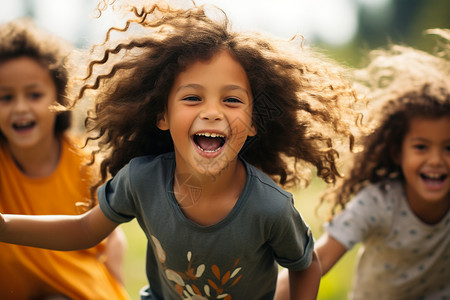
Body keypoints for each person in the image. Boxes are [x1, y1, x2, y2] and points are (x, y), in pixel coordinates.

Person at [0, 2, 359, 299]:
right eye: (192, 98)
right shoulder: (141, 180)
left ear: (252, 124)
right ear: (163, 116)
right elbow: (83, 230)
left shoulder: (270, 207)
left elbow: (305, 264)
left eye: (231, 100)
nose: (213, 112)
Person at [275, 29, 450, 300]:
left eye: (448, 147)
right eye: (421, 147)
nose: (437, 160)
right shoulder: (378, 203)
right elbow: (316, 261)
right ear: (397, 152)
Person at [0, 19, 129, 300]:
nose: (20, 108)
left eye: (34, 95)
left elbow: (111, 233)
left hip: (79, 292)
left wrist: (115, 266)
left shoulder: (85, 161)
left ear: (59, 97)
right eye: (5, 97)